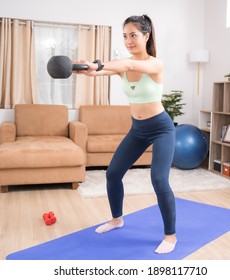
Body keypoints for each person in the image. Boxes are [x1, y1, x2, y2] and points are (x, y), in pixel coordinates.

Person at [76, 15, 177, 254]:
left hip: (161, 128)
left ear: (146, 36)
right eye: (124, 36)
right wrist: (83, 67)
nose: (128, 40)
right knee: (112, 173)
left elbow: (129, 65)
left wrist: (98, 64)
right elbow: (98, 73)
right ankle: (116, 219)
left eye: (133, 35)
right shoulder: (122, 67)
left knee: (159, 179)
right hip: (138, 130)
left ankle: (170, 236)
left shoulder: (155, 64)